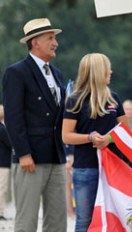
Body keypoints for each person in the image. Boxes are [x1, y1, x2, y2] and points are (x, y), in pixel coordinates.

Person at [2, 18, 67, 231]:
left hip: (56, 157)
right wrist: (22, 153)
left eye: (55, 37)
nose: (55, 42)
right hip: (29, 158)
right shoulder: (17, 72)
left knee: (57, 221)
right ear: (35, 42)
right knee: (27, 220)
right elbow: (13, 117)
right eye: (50, 38)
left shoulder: (57, 73)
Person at [62, 53, 128, 232]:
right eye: (107, 68)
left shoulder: (113, 97)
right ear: (97, 72)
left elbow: (125, 131)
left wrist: (110, 139)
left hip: (114, 168)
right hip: (86, 169)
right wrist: (89, 137)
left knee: (114, 217)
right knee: (85, 220)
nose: (111, 71)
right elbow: (66, 136)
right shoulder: (74, 99)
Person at [0, 105, 13, 221]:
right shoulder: (2, 129)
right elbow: (10, 143)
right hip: (2, 163)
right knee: (2, 187)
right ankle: (0, 211)